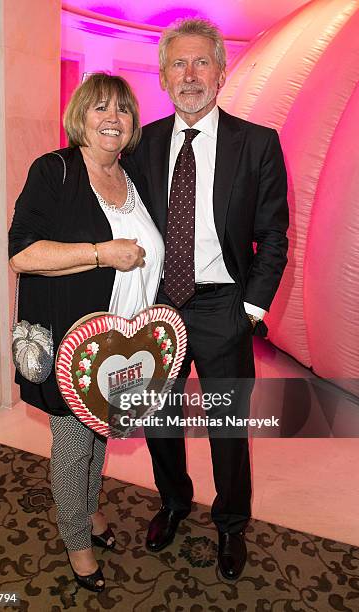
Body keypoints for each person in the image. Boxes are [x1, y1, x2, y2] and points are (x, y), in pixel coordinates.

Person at [122, 18, 289, 580]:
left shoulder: (258, 143)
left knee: (227, 429)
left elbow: (273, 235)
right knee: (160, 422)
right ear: (163, 76)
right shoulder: (139, 145)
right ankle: (172, 503)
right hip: (158, 309)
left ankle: (231, 523)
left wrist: (250, 312)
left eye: (200, 63)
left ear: (221, 73)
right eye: (177, 64)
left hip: (224, 308)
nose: (189, 74)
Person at [8, 73, 164, 592]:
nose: (112, 119)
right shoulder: (54, 171)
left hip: (119, 346)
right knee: (74, 444)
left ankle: (91, 514)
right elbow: (23, 252)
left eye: (121, 110)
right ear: (80, 117)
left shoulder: (132, 176)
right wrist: (100, 253)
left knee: (99, 434)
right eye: (99, 108)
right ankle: (77, 543)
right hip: (70, 341)